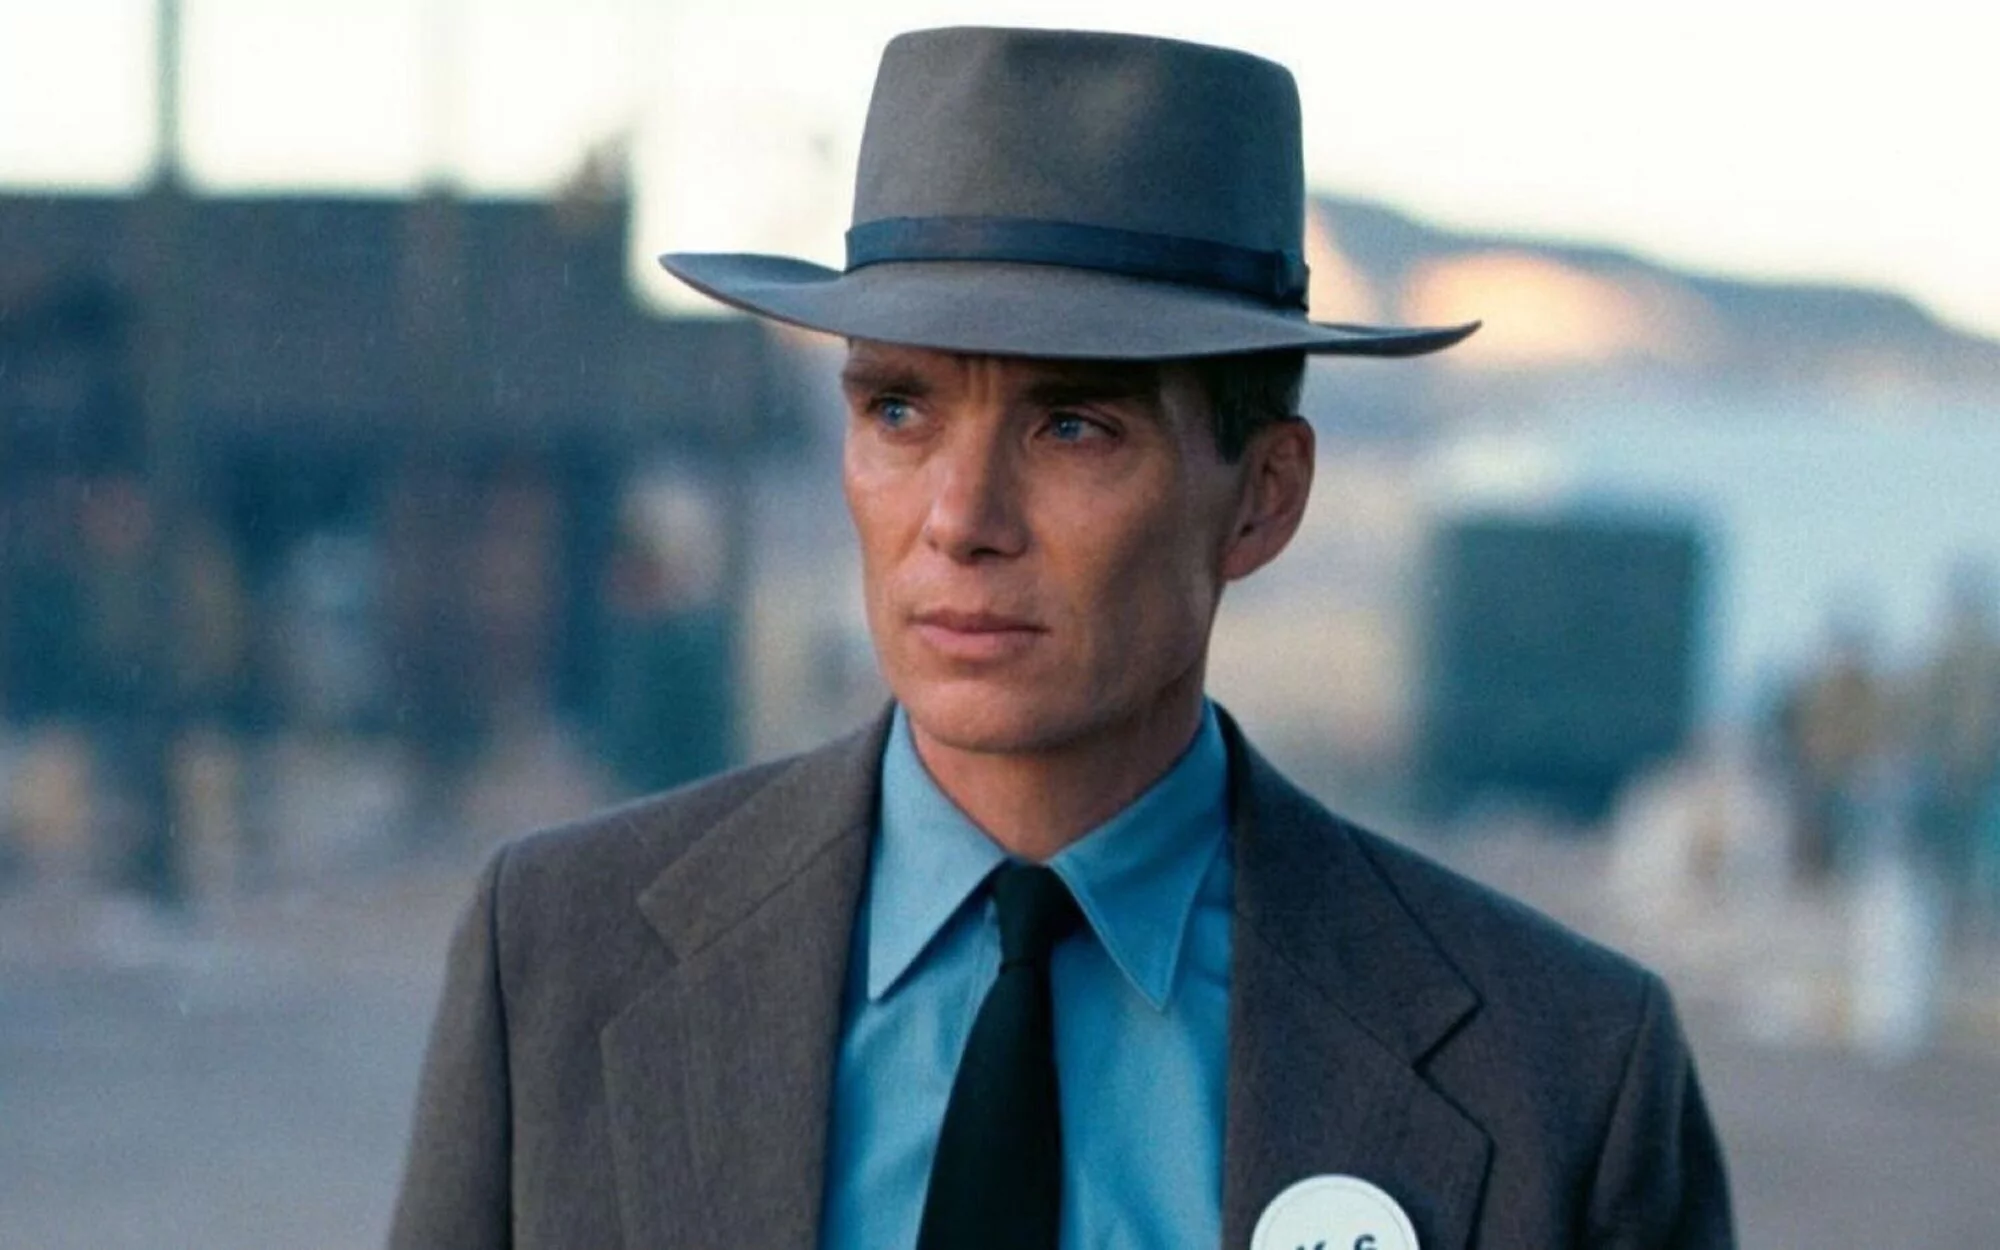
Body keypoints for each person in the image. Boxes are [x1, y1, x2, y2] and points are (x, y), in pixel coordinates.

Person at [390, 27, 1733, 1250]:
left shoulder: (1561, 1075)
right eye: (899, 412)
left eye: (1074, 426)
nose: (961, 519)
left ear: (1263, 497)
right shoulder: (556, 962)